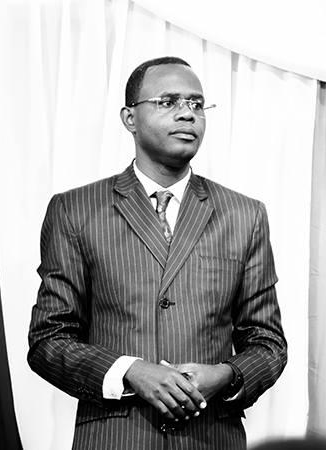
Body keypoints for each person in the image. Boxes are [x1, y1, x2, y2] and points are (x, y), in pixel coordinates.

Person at [27, 56, 288, 450]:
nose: (187, 114)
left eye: (197, 104)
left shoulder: (244, 214)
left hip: (210, 438)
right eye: (168, 102)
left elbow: (268, 343)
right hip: (116, 439)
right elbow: (49, 340)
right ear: (130, 118)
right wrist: (130, 371)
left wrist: (226, 375)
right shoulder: (76, 210)